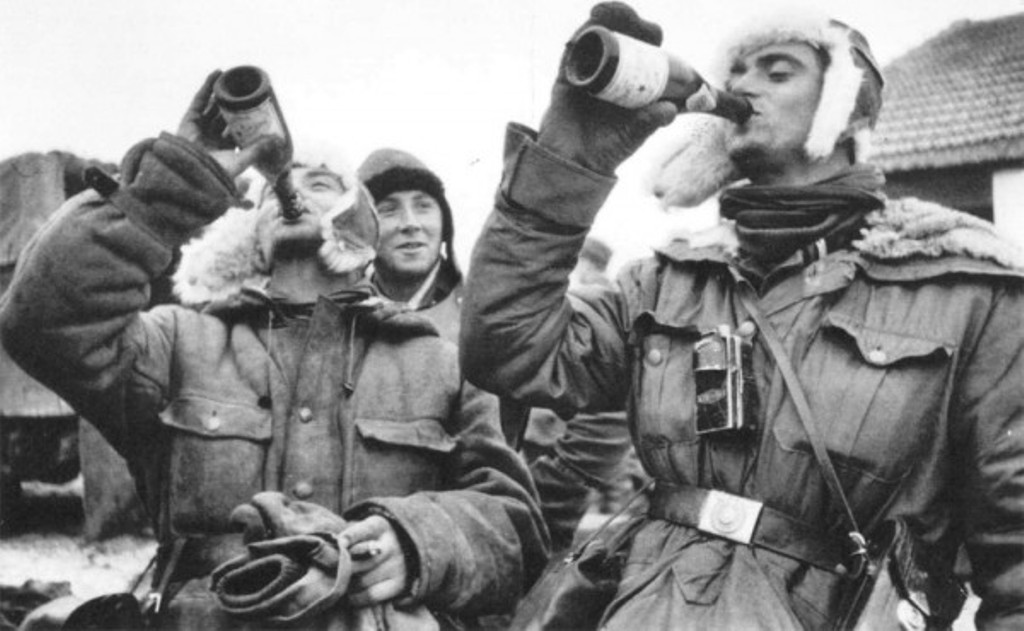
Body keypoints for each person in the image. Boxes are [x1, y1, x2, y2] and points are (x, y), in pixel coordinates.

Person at [460, 2, 1024, 629]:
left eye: (777, 71)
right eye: (737, 72)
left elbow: (1016, 549)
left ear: (850, 109)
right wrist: (570, 158)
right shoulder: (664, 282)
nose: (744, 86)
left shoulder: (969, 293)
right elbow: (506, 350)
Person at [0, 71, 547, 630]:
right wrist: (174, 183)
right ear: (248, 233)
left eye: (323, 184)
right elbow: (41, 320)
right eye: (274, 192)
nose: (295, 191)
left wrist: (417, 541)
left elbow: (514, 524)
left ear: (360, 225)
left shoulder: (441, 362)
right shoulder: (177, 342)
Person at [358, 150, 639, 554]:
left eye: (424, 206)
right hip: (369, 545)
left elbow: (607, 399)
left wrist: (545, 506)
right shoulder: (342, 320)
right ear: (361, 224)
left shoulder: (494, 315)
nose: (410, 223)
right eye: (388, 209)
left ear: (445, 223)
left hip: (483, 546)